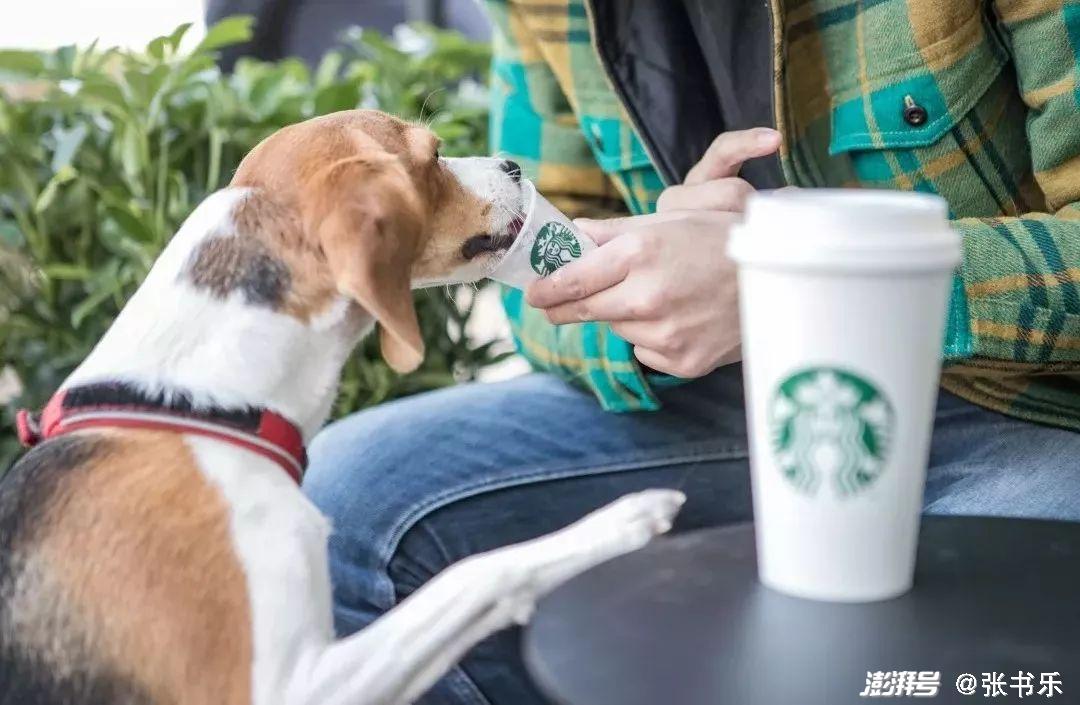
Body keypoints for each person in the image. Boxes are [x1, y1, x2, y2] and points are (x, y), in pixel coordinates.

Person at [303, 1, 1080, 703]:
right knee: (355, 501)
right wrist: (640, 291)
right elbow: (533, 263)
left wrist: (798, 272)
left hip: (1023, 406)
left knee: (956, 651)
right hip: (716, 398)